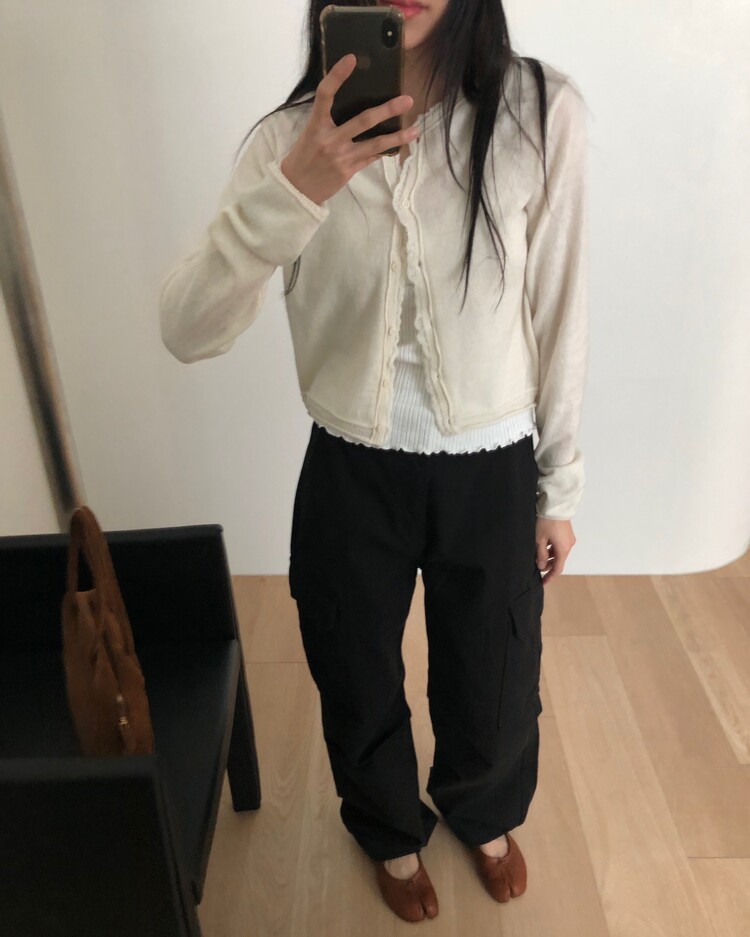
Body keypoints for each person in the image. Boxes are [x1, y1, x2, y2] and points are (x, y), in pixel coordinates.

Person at [159, 0, 588, 923]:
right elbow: (186, 329)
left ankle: (482, 813)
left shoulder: (540, 112)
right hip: (351, 468)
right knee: (353, 670)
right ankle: (390, 830)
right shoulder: (289, 141)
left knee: (497, 675)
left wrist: (559, 484)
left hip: (493, 465)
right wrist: (297, 188)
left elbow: (561, 310)